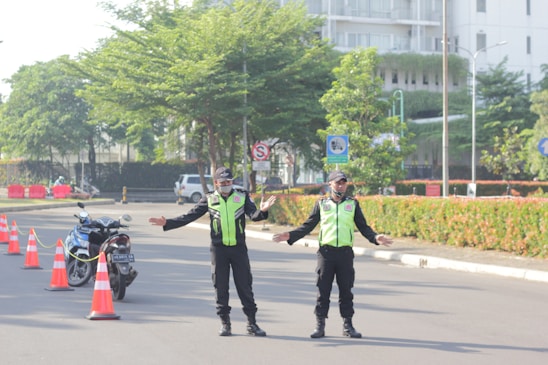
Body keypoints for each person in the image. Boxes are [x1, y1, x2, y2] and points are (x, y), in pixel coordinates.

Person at [149, 167, 277, 337]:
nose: (226, 185)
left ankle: (252, 324)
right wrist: (168, 223)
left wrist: (264, 210)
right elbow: (190, 216)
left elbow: (254, 215)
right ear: (216, 183)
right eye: (222, 182)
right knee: (221, 286)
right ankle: (225, 323)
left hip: (239, 249)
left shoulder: (241, 196)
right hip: (219, 249)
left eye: (229, 182)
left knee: (245, 286)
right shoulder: (210, 199)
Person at [273, 170, 392, 339]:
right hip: (326, 253)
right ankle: (320, 325)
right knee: (323, 290)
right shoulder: (321, 204)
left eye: (343, 183)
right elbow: (308, 226)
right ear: (330, 184)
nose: (341, 186)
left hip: (345, 254)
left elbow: (363, 227)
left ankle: (348, 325)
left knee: (346, 290)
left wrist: (375, 237)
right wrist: (290, 235)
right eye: (337, 183)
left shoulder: (352, 204)